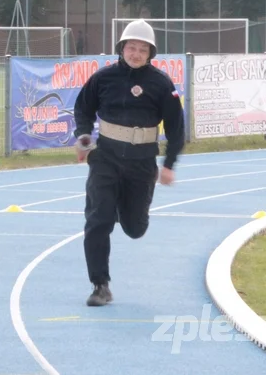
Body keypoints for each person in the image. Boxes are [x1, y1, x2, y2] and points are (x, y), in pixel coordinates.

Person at [73, 18, 185, 306]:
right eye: (131, 47)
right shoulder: (103, 78)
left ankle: (126, 209)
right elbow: (82, 108)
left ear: (150, 53)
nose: (135, 54)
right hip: (105, 158)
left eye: (142, 49)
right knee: (98, 219)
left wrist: (169, 163)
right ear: (121, 48)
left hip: (141, 162)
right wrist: (84, 136)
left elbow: (176, 127)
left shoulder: (161, 84)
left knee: (135, 228)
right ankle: (100, 285)